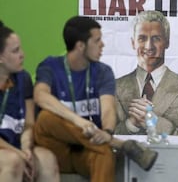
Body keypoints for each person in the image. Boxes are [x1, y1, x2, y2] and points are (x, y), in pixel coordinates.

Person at [33, 16, 157, 182]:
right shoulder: (51, 66)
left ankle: (109, 141)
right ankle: (118, 144)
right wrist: (79, 122)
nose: (102, 45)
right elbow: (40, 96)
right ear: (80, 46)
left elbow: (108, 109)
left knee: (104, 153)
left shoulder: (102, 72)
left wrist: (106, 132)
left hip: (87, 149)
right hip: (56, 150)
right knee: (45, 118)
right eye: (97, 41)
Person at [115, 10, 178, 136]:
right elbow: (100, 138)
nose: (149, 46)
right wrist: (131, 124)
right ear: (133, 43)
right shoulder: (113, 88)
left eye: (156, 38)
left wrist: (156, 123)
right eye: (142, 38)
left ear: (167, 42)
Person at [0, 21, 59, 182]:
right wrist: (19, 154)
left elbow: (29, 123)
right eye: (15, 51)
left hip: (16, 146)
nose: (22, 55)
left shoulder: (23, 79)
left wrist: (26, 148)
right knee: (13, 161)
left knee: (47, 160)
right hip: (7, 151)